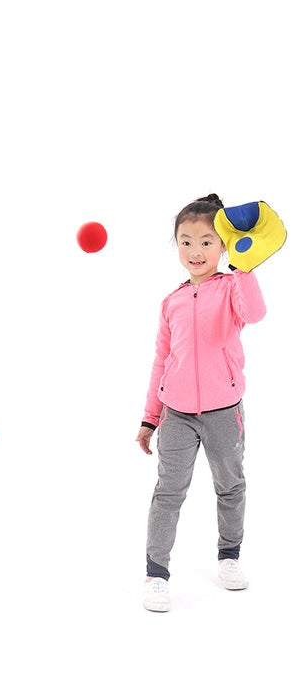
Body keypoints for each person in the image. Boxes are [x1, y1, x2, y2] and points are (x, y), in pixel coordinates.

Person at [136, 194, 267, 612]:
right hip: (176, 414)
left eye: (207, 242)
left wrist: (244, 268)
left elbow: (256, 313)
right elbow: (162, 360)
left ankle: (229, 556)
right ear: (176, 244)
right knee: (168, 492)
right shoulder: (171, 302)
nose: (196, 251)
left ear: (223, 245)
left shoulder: (231, 288)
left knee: (230, 485)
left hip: (223, 411)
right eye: (186, 241)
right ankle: (156, 573)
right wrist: (150, 418)